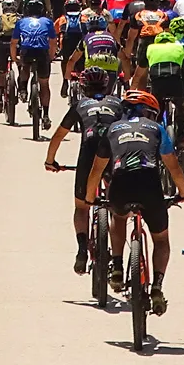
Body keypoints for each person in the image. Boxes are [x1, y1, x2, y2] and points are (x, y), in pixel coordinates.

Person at [84, 89, 184, 302]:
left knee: (119, 217)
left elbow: (96, 170)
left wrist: (89, 197)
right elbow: (173, 167)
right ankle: (157, 286)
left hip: (120, 185)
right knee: (160, 240)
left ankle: (117, 266)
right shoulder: (157, 129)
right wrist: (183, 193)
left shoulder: (112, 129)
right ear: (150, 112)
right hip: (149, 186)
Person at [44, 68, 125, 275]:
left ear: (82, 86)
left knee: (81, 207)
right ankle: (117, 262)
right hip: (113, 153)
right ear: (107, 85)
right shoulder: (117, 104)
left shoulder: (79, 105)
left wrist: (50, 161)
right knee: (117, 209)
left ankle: (81, 249)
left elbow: (59, 135)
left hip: (88, 156)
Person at [11, 0, 57, 125]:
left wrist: (15, 58)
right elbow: (53, 42)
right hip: (42, 53)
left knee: (24, 67)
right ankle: (46, 114)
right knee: (44, 84)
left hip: (27, 51)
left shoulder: (21, 22)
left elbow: (14, 42)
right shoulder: (47, 22)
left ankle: (23, 90)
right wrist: (51, 56)